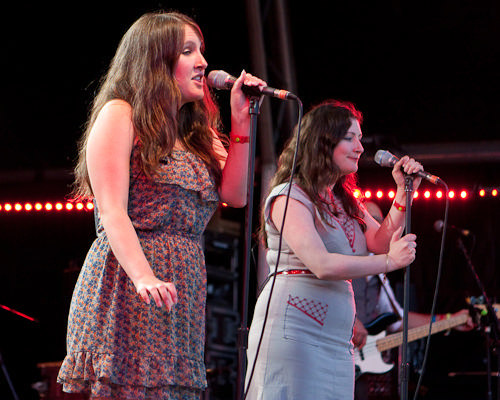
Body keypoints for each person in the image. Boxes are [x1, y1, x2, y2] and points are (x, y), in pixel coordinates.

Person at [57, 11, 265, 400]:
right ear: (155, 59)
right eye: (188, 51)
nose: (203, 61)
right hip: (129, 279)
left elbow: (236, 195)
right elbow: (113, 211)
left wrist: (241, 123)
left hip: (182, 282)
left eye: (201, 50)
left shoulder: (196, 133)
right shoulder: (121, 114)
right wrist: (143, 277)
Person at [245, 99, 424, 400]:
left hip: (337, 340)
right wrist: (388, 262)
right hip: (295, 330)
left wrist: (404, 193)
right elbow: (322, 264)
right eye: (349, 138)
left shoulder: (343, 200)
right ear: (323, 142)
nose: (360, 147)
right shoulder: (288, 196)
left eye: (359, 137)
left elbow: (379, 240)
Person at [352, 201, 474, 399]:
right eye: (366, 218)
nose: (374, 225)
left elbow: (398, 321)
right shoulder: (340, 261)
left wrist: (451, 319)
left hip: (358, 376)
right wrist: (349, 321)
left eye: (379, 220)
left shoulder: (379, 275)